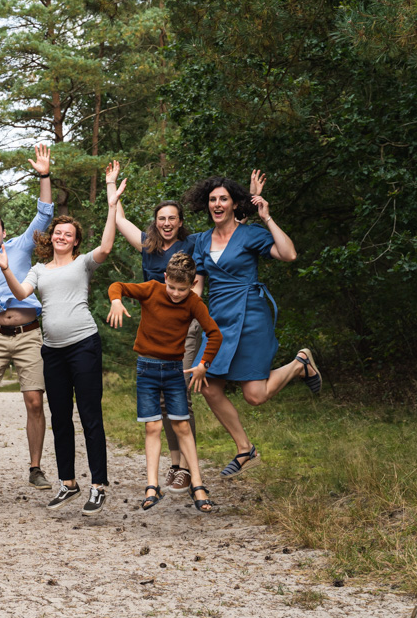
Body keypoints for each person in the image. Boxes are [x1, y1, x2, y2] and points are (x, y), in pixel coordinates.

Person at [0, 161, 125, 516]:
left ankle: (98, 485)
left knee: (90, 416)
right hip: (53, 351)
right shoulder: (39, 269)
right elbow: (21, 292)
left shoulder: (83, 263)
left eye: (68, 234)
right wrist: (5, 268)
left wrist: (111, 203)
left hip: (84, 345)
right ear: (52, 238)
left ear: (75, 240)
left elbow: (107, 246)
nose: (61, 236)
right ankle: (68, 483)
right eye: (57, 233)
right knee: (60, 418)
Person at [113, 170, 264, 494]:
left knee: (179, 394)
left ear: (180, 222)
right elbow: (119, 219)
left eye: (172, 218)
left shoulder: (192, 243)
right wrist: (112, 187)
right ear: (155, 223)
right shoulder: (148, 246)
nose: (167, 223)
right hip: (157, 330)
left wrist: (251, 202)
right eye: (161, 218)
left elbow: (231, 229)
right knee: (164, 400)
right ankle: (176, 463)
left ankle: (184, 468)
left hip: (186, 326)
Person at [184, 175, 321, 478]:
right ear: (206, 204)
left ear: (234, 204)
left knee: (255, 396)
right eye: (212, 199)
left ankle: (300, 364)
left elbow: (289, 254)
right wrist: (185, 313)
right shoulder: (202, 240)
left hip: (250, 315)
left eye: (223, 199)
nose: (217, 204)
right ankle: (245, 449)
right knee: (204, 383)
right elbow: (198, 286)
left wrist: (267, 218)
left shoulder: (250, 234)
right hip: (218, 320)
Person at [0, 144, 56, 490]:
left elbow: (44, 215)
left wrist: (44, 175)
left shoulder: (20, 246)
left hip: (29, 334)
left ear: (3, 231)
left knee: (34, 401)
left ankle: (35, 468)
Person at [106, 252, 222, 513]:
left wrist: (203, 365)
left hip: (174, 371)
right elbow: (117, 286)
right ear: (165, 277)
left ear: (193, 284)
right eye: (171, 286)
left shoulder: (193, 303)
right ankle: (152, 486)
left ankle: (198, 485)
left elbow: (214, 334)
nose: (176, 293)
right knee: (153, 427)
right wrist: (116, 301)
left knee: (182, 426)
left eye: (182, 289)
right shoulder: (151, 289)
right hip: (146, 369)